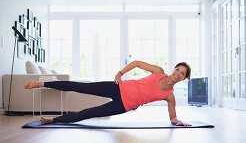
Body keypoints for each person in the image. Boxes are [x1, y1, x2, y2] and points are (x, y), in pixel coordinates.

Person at [24, 60, 191, 126]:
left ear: (183, 79)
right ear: (174, 69)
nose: (178, 73)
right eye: (178, 69)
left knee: (88, 113)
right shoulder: (159, 71)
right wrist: (120, 73)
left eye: (182, 73)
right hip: (118, 87)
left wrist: (179, 121)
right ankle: (41, 83)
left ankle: (52, 120)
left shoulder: (169, 96)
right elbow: (137, 63)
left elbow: (173, 117)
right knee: (79, 86)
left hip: (123, 105)